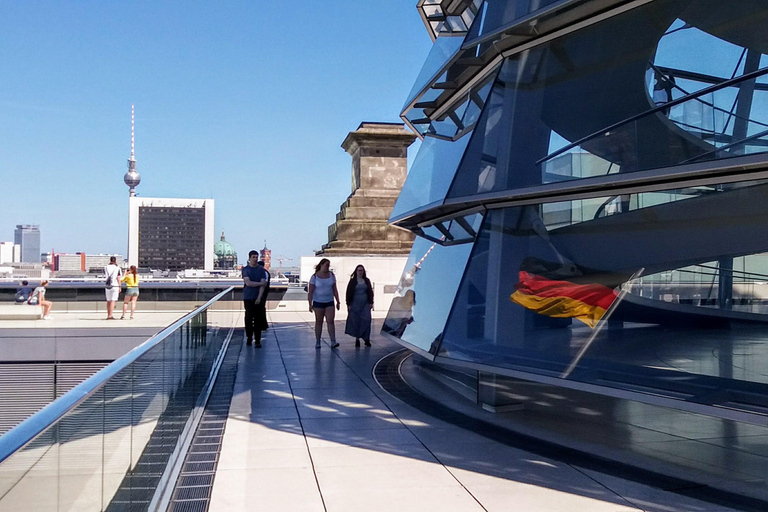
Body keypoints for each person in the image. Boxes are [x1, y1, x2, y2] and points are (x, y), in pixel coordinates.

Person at [308, 258, 340, 349]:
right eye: (326, 265)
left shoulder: (331, 275)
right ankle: (318, 341)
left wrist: (338, 301)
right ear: (321, 265)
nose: (327, 267)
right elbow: (310, 291)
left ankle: (333, 341)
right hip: (318, 302)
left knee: (330, 321)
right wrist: (310, 303)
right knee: (319, 321)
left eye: (329, 265)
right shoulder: (314, 277)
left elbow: (335, 289)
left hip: (329, 301)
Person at [242, 250, 268, 347]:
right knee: (248, 318)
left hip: (257, 298)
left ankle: (257, 340)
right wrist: (261, 283)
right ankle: (249, 337)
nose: (255, 259)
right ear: (249, 258)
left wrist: (259, 297)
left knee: (258, 319)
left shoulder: (261, 270)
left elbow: (262, 286)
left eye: (256, 257)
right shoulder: (245, 269)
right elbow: (248, 283)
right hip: (248, 297)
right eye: (253, 257)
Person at [344, 265, 374, 347]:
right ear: (356, 271)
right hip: (355, 303)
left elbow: (370, 291)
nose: (360, 272)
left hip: (365, 303)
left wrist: (371, 302)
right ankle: (357, 338)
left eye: (361, 270)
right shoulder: (353, 281)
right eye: (359, 270)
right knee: (356, 321)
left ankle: (366, 338)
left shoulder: (367, 281)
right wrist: (348, 304)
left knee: (367, 320)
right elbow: (348, 292)